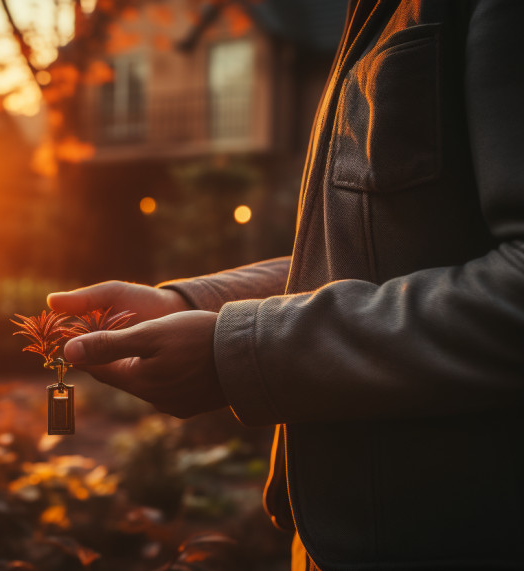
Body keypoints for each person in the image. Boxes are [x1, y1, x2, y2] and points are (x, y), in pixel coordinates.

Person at [47, 1, 524, 569]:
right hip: (328, 544)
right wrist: (188, 301)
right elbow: (352, 260)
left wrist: (239, 351)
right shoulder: (372, 13)